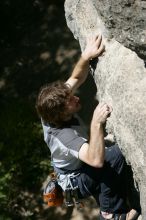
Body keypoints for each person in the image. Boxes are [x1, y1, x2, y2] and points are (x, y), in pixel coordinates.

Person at [36, 35, 140, 219]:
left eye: (71, 96)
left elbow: (77, 77)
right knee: (112, 156)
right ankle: (111, 214)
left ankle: (107, 199)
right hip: (74, 181)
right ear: (61, 114)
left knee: (105, 155)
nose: (76, 98)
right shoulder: (64, 136)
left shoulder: (53, 105)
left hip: (77, 168)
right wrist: (95, 123)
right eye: (71, 102)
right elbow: (95, 160)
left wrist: (85, 56)